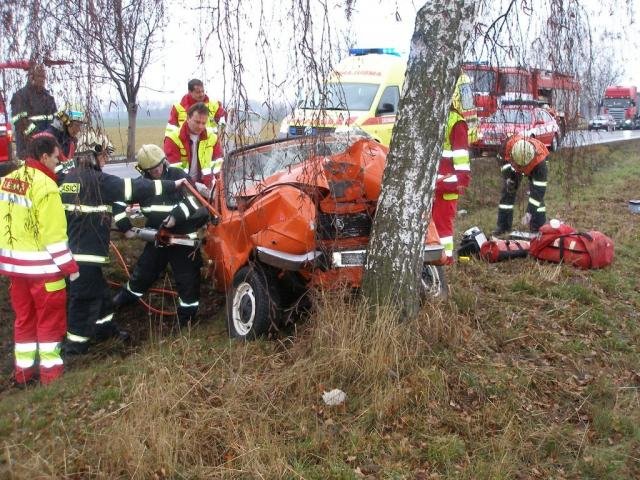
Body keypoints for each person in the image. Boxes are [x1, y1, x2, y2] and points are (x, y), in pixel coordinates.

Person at [59, 136, 187, 355]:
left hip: (72, 253)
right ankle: (74, 348)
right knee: (83, 301)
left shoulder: (68, 179)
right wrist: (172, 184)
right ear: (92, 155)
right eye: (103, 155)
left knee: (101, 294)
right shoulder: (98, 181)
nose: (106, 160)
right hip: (85, 256)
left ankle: (104, 329)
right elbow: (133, 189)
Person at [0, 135, 78, 385]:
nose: (58, 163)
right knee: (50, 323)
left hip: (14, 269)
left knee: (24, 320)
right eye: (56, 158)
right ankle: (51, 376)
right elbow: (54, 236)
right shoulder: (46, 186)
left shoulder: (8, 181)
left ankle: (22, 374)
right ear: (44, 157)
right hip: (44, 270)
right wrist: (70, 267)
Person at [112, 145, 206, 325]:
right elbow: (117, 203)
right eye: (152, 170)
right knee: (143, 273)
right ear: (143, 170)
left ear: (164, 162)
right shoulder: (141, 185)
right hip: (158, 238)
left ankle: (187, 319)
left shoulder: (179, 176)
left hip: (183, 240)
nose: (157, 171)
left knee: (187, 281)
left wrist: (175, 218)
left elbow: (194, 200)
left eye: (159, 166)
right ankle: (124, 300)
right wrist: (126, 227)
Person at [431, 73, 475, 262]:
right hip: (448, 183)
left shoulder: (432, 118)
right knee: (443, 226)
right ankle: (445, 260)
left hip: (430, 182)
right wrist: (462, 182)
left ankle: (433, 258)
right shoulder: (456, 122)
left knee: (431, 224)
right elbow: (461, 158)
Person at [493, 134, 549, 235]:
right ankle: (503, 226)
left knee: (536, 196)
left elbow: (538, 192)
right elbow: (500, 159)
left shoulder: (540, 164)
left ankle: (538, 226)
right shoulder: (507, 146)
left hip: (534, 167)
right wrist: (508, 177)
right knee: (508, 191)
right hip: (514, 168)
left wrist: (529, 213)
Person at [167, 78, 226, 163]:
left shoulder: (213, 105)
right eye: (198, 92)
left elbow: (223, 121)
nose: (202, 94)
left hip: (209, 146)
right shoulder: (178, 108)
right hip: (186, 148)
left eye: (203, 91)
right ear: (190, 92)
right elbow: (170, 131)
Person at [164, 102, 219, 189]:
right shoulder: (173, 138)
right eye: (197, 122)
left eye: (203, 123)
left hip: (207, 187)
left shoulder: (212, 137)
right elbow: (176, 172)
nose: (200, 126)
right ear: (188, 118)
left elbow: (218, 167)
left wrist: (216, 187)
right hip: (181, 188)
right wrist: (195, 187)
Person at [10, 64, 57, 159]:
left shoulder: (49, 98)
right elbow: (21, 123)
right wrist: (39, 138)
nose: (42, 79)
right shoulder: (20, 96)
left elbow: (56, 121)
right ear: (31, 77)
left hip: (46, 148)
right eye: (39, 76)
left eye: (44, 77)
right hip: (27, 148)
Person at [46, 107, 86, 178]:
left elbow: (64, 167)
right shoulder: (48, 139)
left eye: (80, 126)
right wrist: (75, 163)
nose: (78, 129)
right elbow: (51, 169)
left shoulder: (70, 142)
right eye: (76, 125)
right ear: (65, 123)